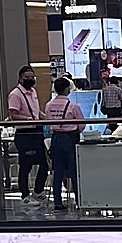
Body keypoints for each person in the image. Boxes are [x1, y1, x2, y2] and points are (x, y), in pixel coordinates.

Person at [43, 74, 85, 209]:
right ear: (67, 89)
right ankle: (79, 200)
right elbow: (81, 125)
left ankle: (58, 202)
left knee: (58, 172)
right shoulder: (73, 106)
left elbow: (48, 122)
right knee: (74, 171)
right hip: (70, 138)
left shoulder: (49, 105)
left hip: (56, 139)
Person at [7, 65, 48, 199]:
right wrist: (28, 119)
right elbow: (13, 115)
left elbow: (36, 111)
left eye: (32, 77)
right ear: (20, 78)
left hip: (36, 131)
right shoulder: (15, 94)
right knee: (26, 166)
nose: (30, 80)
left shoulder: (34, 92)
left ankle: (37, 191)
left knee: (43, 164)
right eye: (27, 78)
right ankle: (25, 195)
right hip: (24, 133)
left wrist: (43, 117)